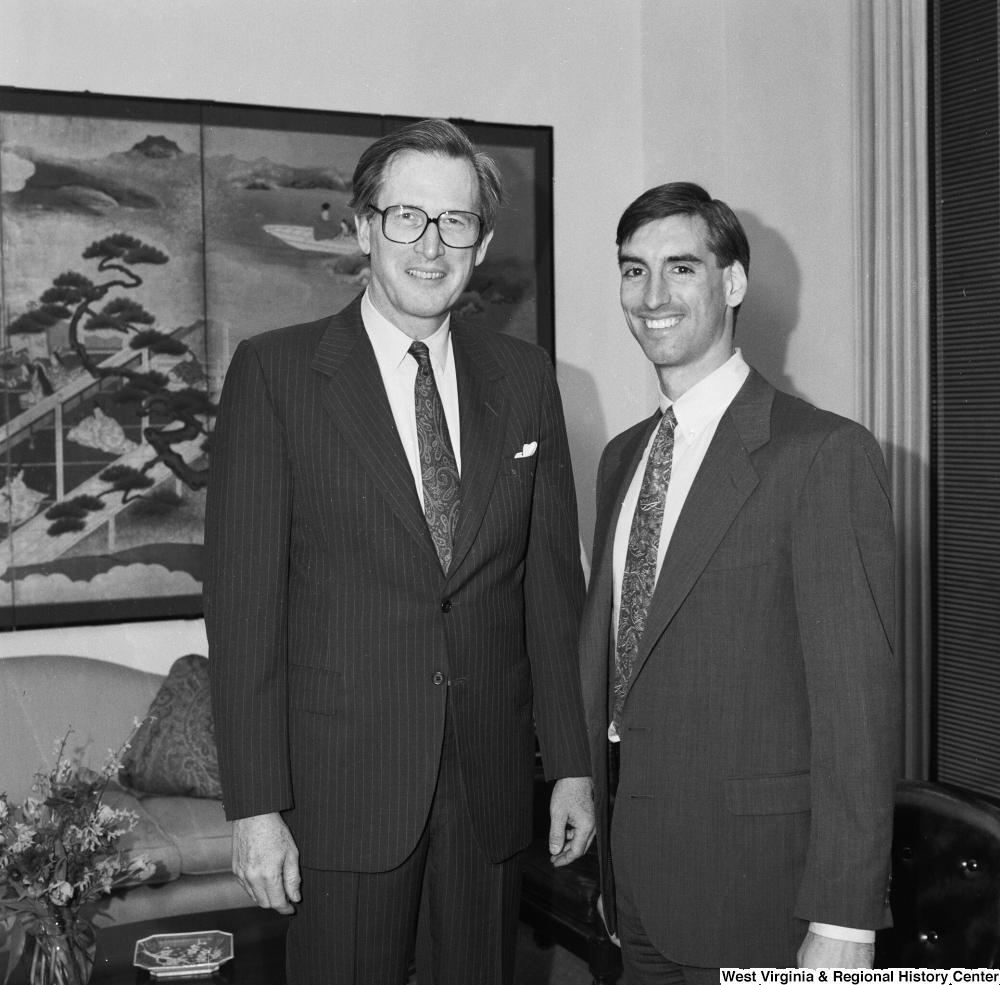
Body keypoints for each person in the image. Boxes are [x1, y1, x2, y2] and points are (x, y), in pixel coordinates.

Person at [204, 119, 594, 985]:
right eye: (406, 216)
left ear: (482, 241)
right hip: (342, 795)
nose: (431, 244)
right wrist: (255, 807)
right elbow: (242, 610)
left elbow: (550, 593)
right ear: (361, 226)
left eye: (455, 222)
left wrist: (571, 764)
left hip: (489, 791)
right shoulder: (276, 374)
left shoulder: (527, 381)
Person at [579, 182, 900, 980]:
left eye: (680, 268)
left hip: (766, 896)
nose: (652, 296)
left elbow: (856, 710)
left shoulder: (822, 454)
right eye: (632, 270)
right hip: (639, 888)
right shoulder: (623, 458)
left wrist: (845, 917)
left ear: (731, 284)